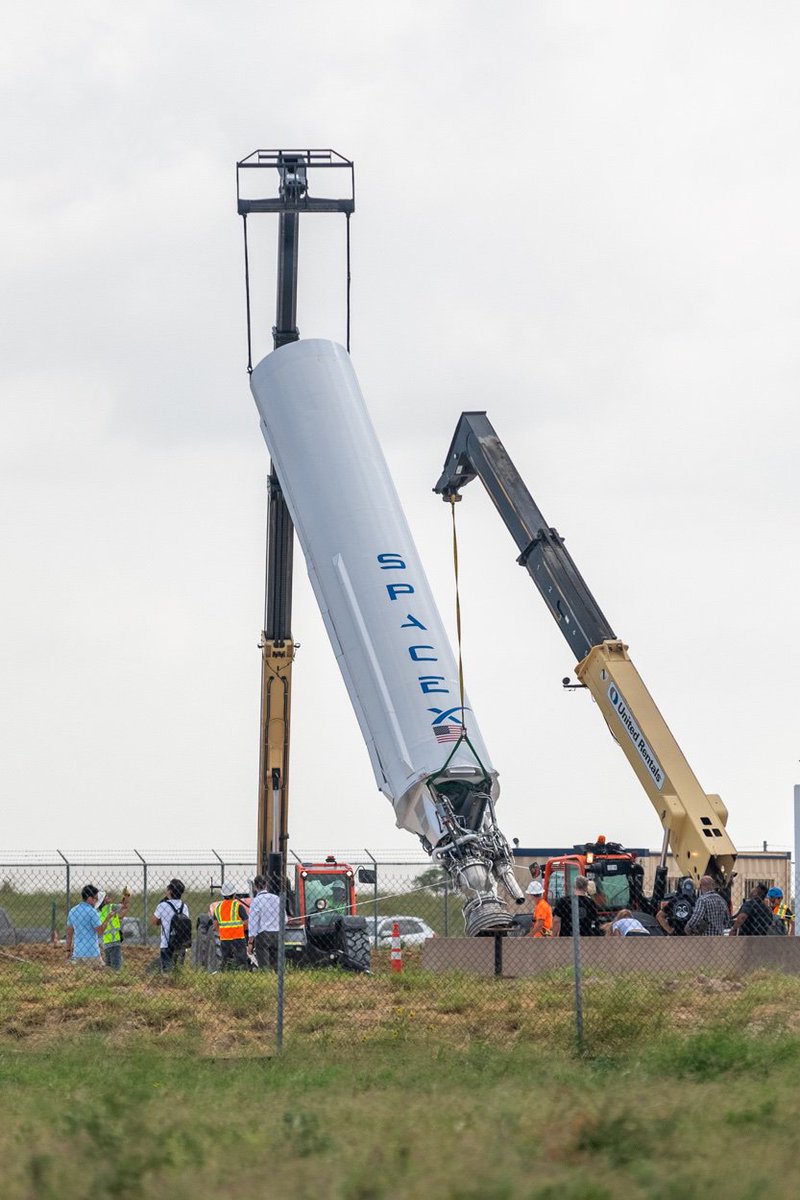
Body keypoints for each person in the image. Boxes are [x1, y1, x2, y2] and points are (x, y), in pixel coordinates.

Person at [65, 884, 111, 965]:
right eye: (95, 899)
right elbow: (100, 931)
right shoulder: (92, 912)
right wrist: (108, 918)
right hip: (92, 953)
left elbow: (69, 933)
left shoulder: (72, 911)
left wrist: (68, 950)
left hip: (77, 953)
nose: (96, 901)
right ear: (90, 898)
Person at [151, 878, 191, 971]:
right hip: (181, 944)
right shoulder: (184, 906)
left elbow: (153, 921)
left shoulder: (163, 905)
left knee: (167, 971)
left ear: (170, 891)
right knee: (178, 970)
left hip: (167, 944)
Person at [247, 875, 281, 969]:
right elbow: (284, 918)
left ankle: (266, 977)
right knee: (277, 964)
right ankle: (278, 979)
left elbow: (253, 922)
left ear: (255, 886)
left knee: (264, 965)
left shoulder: (256, 901)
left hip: (263, 935)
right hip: (277, 934)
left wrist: (250, 942)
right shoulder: (276, 898)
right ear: (266, 885)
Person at [212, 882, 248, 970]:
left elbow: (215, 925)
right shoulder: (238, 906)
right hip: (238, 938)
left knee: (226, 960)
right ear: (234, 894)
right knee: (241, 961)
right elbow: (246, 922)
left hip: (224, 939)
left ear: (223, 895)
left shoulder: (217, 908)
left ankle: (227, 973)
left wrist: (221, 933)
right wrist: (241, 930)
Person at [97, 887, 130, 969]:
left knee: (109, 966)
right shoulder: (111, 907)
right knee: (116, 968)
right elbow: (124, 905)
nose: (109, 897)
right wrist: (126, 896)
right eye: (106, 897)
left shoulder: (99, 912)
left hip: (106, 943)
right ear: (103, 901)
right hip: (114, 941)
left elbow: (119, 917)